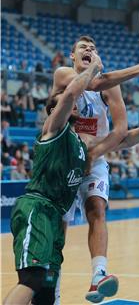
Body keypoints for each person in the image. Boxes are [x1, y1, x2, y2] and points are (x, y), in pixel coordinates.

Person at [51, 35, 139, 303]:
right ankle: (51, 288)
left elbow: (121, 130)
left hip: (94, 158)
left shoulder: (112, 87)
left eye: (93, 48)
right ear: (72, 56)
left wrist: (96, 152)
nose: (89, 50)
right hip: (64, 159)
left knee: (97, 209)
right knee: (59, 228)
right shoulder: (64, 74)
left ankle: (98, 275)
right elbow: (95, 81)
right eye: (83, 48)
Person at [3, 54, 102, 305]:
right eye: (68, 102)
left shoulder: (78, 143)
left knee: (46, 293)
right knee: (32, 279)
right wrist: (93, 70)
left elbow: (120, 139)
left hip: (55, 217)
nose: (75, 101)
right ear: (54, 110)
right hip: (37, 207)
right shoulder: (53, 128)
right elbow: (69, 95)